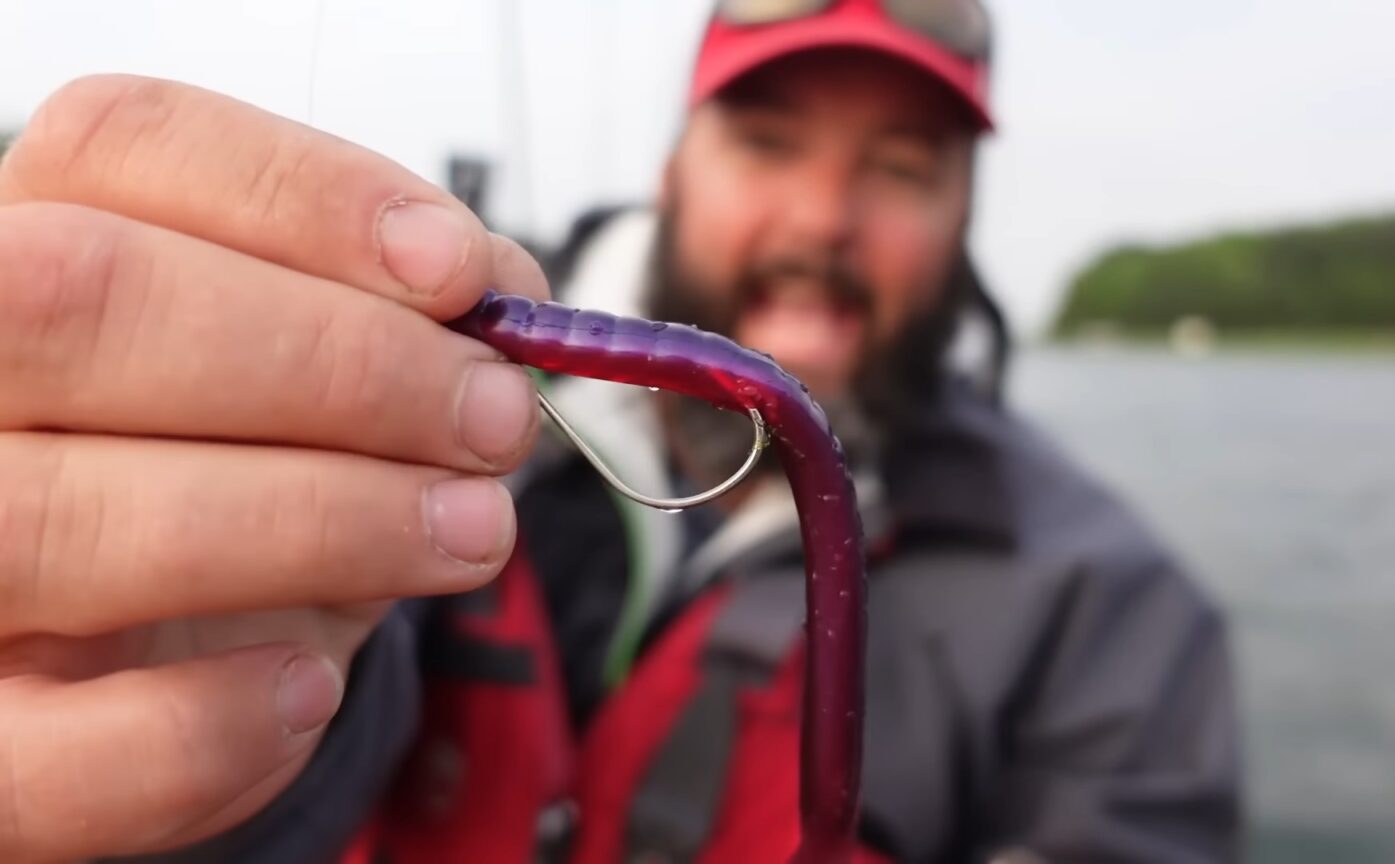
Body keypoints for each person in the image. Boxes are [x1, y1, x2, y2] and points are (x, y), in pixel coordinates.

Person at [0, 1, 1241, 862]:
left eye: (903, 167)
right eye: (767, 141)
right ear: (673, 167)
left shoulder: (1114, 619)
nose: (824, 216)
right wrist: (165, 736)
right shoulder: (416, 413)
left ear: (967, 215)